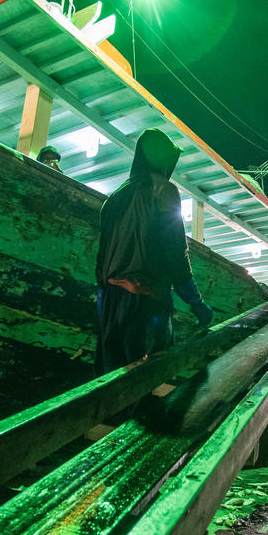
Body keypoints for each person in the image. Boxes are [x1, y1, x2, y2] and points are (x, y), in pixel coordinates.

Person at [95, 128, 212, 375]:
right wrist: (195, 301)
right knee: (147, 376)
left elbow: (101, 259)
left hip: (110, 303)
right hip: (145, 299)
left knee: (111, 379)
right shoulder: (164, 191)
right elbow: (175, 252)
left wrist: (104, 307)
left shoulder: (114, 197)